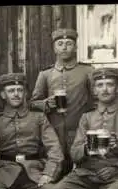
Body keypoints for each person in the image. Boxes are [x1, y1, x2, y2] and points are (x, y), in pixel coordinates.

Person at [31, 28, 94, 176]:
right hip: (53, 132)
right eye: (60, 44)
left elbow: (96, 100)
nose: (64, 47)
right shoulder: (46, 74)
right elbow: (33, 104)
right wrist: (46, 103)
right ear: (54, 48)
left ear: (76, 47)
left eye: (69, 43)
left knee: (83, 170)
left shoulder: (87, 71)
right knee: (56, 170)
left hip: (79, 131)